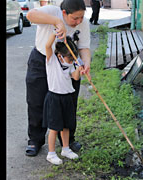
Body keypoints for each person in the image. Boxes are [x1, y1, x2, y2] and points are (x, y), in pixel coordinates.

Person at [25, 0, 91, 156]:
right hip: (42, 60)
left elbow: (84, 47)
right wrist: (56, 22)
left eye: (81, 17)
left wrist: (86, 64)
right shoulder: (51, 11)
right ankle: (35, 140)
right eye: (75, 18)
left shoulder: (83, 23)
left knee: (68, 101)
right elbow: (30, 15)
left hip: (69, 64)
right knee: (36, 101)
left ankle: (68, 141)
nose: (79, 21)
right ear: (64, 13)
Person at [43, 32, 82, 165]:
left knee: (66, 126)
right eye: (70, 59)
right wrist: (55, 34)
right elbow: (48, 46)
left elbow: (75, 77)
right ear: (60, 56)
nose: (71, 61)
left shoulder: (71, 63)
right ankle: (51, 153)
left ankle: (65, 149)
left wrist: (79, 69)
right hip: (54, 97)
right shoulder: (52, 61)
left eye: (73, 59)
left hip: (67, 97)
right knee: (54, 127)